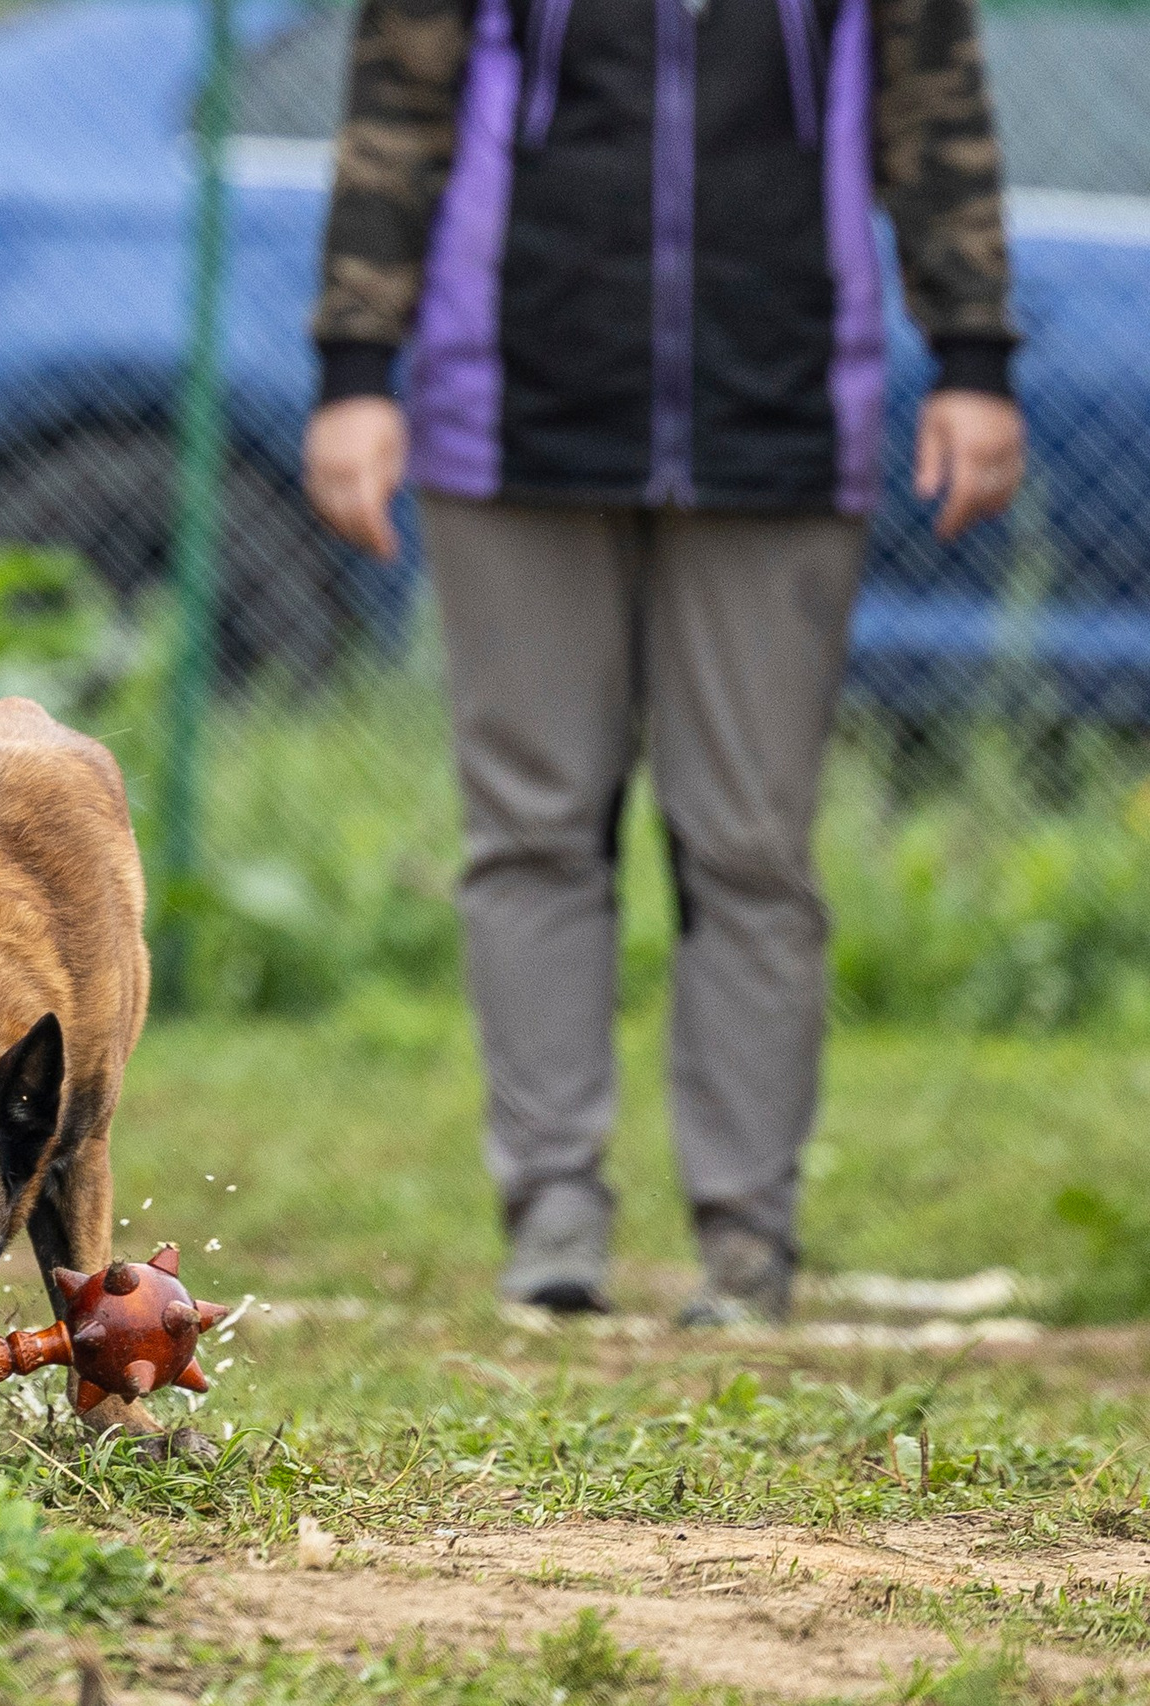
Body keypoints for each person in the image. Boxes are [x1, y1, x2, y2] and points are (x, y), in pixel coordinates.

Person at [302, 0, 1025, 1322]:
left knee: (750, 844)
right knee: (532, 828)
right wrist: (356, 366)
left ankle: (749, 1242)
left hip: (783, 419)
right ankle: (553, 1227)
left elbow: (937, 114)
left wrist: (973, 352)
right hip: (511, 414)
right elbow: (395, 111)